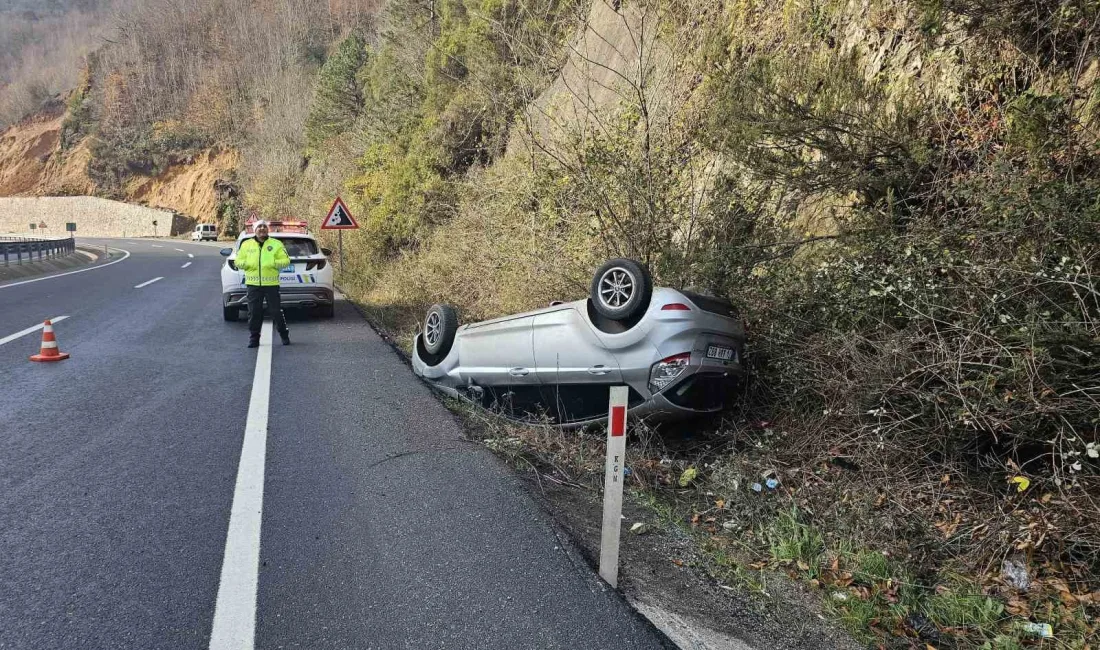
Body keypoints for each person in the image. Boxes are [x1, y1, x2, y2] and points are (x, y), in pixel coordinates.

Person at [236, 220, 291, 347]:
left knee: (276, 311)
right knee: (254, 312)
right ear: (254, 230)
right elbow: (238, 260)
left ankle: (284, 335)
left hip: (271, 284)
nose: (262, 228)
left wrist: (273, 263)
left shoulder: (276, 244)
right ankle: (254, 338)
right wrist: (247, 265)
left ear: (268, 230)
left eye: (264, 226)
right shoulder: (246, 245)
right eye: (259, 226)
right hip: (253, 284)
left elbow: (286, 260)